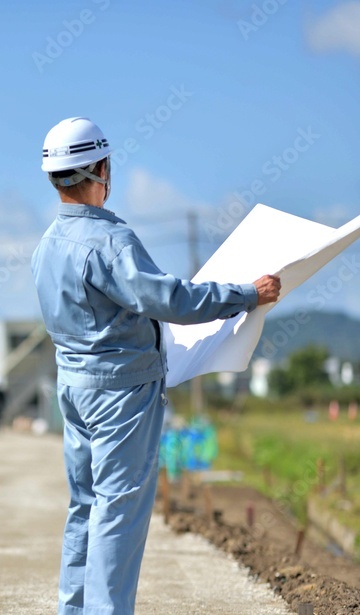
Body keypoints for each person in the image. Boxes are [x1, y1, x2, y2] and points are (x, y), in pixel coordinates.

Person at [30, 117, 281, 614]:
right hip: (121, 396)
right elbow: (169, 299)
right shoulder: (110, 241)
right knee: (118, 514)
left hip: (74, 390)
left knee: (85, 506)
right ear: (100, 168)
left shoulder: (46, 247)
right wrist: (247, 294)